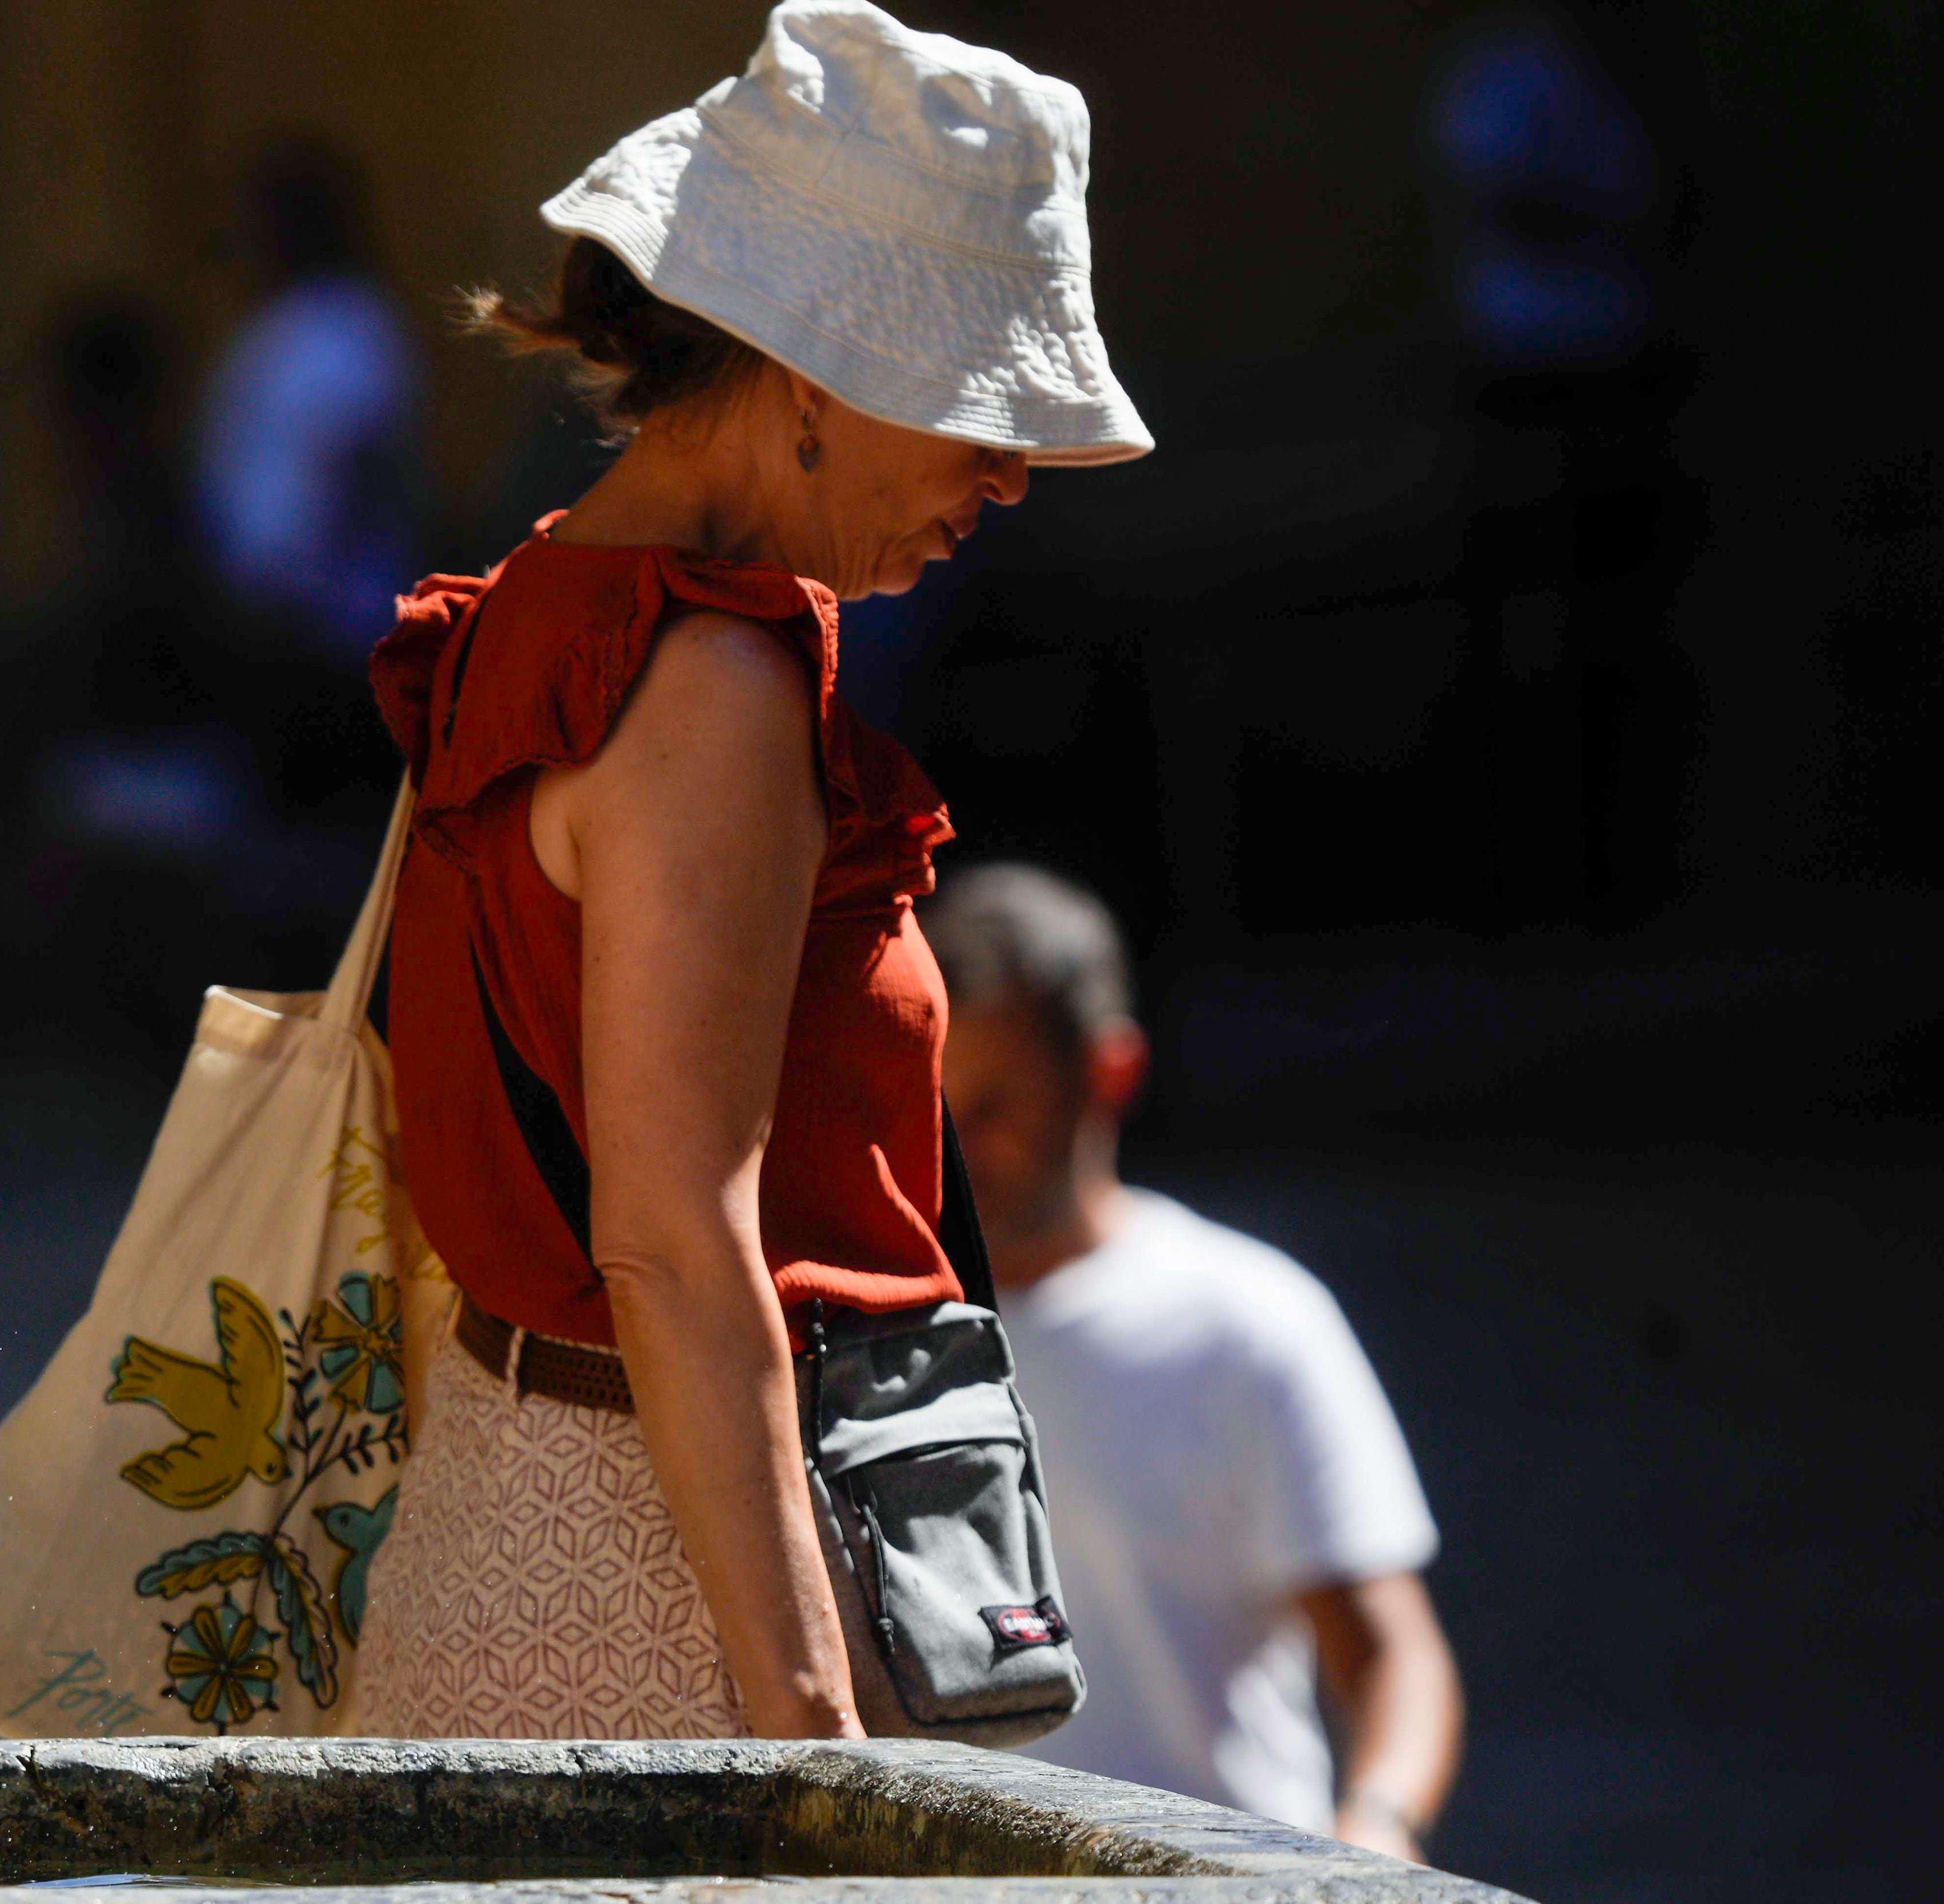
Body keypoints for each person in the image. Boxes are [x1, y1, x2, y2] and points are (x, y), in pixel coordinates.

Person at [355, 1, 1152, 1741]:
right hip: (671, 1583)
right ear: (815, 370)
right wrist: (813, 1740)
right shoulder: (707, 682)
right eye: (978, 412)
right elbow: (672, 1244)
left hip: (524, 1514)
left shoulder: (543, 605)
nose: (1010, 478)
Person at [921, 864, 1465, 1857]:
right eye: (937, 1105)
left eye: (995, 1105)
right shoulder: (889, 1332)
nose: (960, 1148)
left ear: (1110, 1072)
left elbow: (1391, 1651)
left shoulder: (1249, 1318)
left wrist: (1377, 1834)